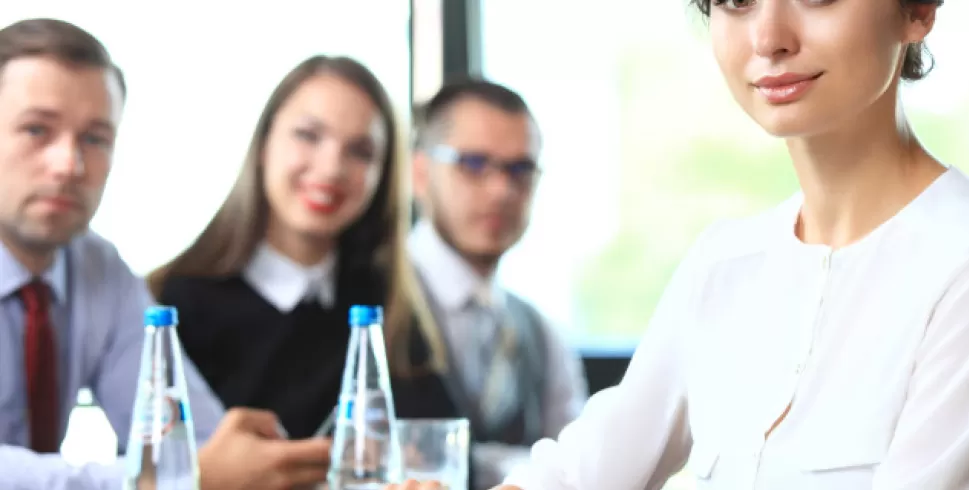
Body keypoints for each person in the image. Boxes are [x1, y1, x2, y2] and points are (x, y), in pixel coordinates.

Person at [405, 0, 969, 488]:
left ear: (918, 11)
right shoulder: (725, 260)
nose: (768, 37)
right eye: (734, 0)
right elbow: (589, 469)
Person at [0, 18, 330, 489]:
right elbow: (190, 473)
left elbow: (192, 442)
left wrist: (264, 463)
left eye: (95, 138)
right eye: (36, 130)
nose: (69, 164)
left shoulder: (99, 270)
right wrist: (167, 480)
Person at [146, 55, 459, 442]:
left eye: (360, 151)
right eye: (308, 136)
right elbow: (155, 461)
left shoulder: (385, 305)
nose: (331, 168)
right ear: (264, 145)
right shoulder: (171, 305)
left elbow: (440, 449)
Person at [409, 79, 587, 488]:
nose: (501, 190)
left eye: (520, 170)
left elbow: (582, 471)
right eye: (473, 164)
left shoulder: (542, 333)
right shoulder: (364, 300)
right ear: (420, 173)